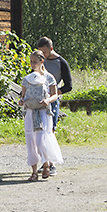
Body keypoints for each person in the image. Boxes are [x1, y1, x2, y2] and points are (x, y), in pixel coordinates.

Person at [20, 50, 63, 180]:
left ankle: (46, 165)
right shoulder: (27, 79)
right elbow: (23, 95)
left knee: (42, 138)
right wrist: (22, 101)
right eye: (31, 62)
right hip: (31, 111)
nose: (33, 64)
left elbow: (55, 94)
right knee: (31, 139)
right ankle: (33, 171)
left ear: (41, 61)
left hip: (43, 111)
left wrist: (48, 100)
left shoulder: (49, 77)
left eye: (35, 62)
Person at [37, 36, 71, 175]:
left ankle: (52, 163)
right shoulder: (39, 61)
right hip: (39, 99)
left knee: (51, 130)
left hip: (53, 100)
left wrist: (55, 92)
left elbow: (69, 85)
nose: (42, 56)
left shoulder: (61, 62)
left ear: (51, 49)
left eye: (44, 52)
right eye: (40, 53)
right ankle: (45, 162)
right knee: (40, 131)